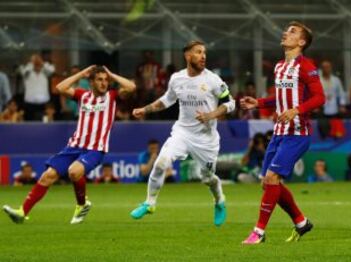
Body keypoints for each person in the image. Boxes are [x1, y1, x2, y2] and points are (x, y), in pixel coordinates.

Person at [3, 65, 136, 224]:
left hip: (95, 148)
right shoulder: (82, 95)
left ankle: (81, 204)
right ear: (91, 82)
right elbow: (60, 87)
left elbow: (131, 86)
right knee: (48, 176)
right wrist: (81, 74)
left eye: (106, 80)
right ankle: (22, 212)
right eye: (99, 79)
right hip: (74, 146)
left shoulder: (112, 96)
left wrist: (111, 74)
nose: (104, 83)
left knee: (74, 172)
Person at [130, 40, 235, 226]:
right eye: (198, 52)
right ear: (188, 56)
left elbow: (230, 103)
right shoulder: (177, 78)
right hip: (182, 132)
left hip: (206, 139)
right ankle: (150, 203)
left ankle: (219, 201)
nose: (203, 56)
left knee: (207, 178)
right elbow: (166, 100)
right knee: (161, 162)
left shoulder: (213, 80)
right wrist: (145, 110)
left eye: (204, 52)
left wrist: (211, 115)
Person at [240, 21, 325, 244]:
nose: (286, 33)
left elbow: (319, 97)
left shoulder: (307, 66)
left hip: (297, 134)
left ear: (302, 42)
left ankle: (258, 232)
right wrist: (257, 103)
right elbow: (279, 100)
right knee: (267, 183)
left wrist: (297, 110)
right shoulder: (279, 66)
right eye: (287, 30)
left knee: (271, 178)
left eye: (293, 32)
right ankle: (301, 222)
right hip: (278, 132)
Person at [19, 53, 55, 121]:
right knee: (29, 124)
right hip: (29, 104)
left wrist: (42, 63)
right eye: (35, 63)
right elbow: (24, 72)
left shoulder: (45, 72)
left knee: (45, 123)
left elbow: (52, 70)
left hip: (44, 103)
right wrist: (32, 62)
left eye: (38, 62)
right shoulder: (27, 72)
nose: (37, 64)